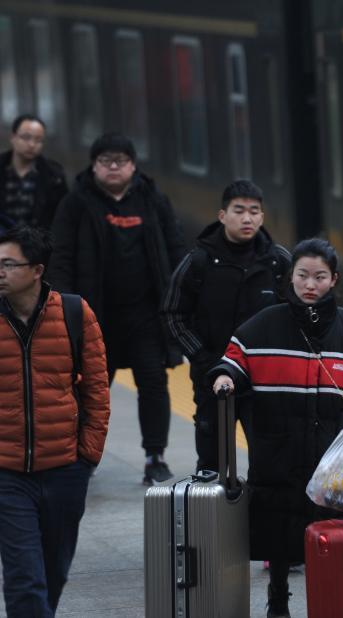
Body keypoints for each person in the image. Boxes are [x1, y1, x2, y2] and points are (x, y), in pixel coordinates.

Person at [209, 238, 343, 618]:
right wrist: (224, 377)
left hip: (331, 449)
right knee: (278, 528)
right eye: (302, 275)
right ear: (290, 277)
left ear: (334, 279)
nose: (310, 284)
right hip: (278, 446)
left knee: (330, 527)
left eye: (320, 277)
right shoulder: (266, 322)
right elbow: (235, 357)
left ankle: (328, 602)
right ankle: (277, 598)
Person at [47, 133, 185, 485]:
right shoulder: (76, 203)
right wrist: (66, 303)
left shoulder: (152, 200)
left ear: (133, 166)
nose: (113, 167)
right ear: (94, 166)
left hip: (147, 315)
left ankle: (155, 456)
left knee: (153, 383)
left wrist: (180, 296)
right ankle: (84, 455)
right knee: (91, 389)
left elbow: (175, 247)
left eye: (120, 161)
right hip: (95, 317)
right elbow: (60, 255)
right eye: (105, 161)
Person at [0, 225, 109, 616]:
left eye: (8, 264)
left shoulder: (74, 313)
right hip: (7, 473)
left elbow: (97, 390)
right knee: (25, 578)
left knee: (53, 572)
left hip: (65, 469)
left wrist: (87, 457)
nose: (0, 272)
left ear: (37, 270)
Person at [162, 179, 291, 474]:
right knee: (213, 464)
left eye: (254, 211)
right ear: (222, 215)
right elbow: (171, 313)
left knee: (271, 463)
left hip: (265, 381)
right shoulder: (198, 261)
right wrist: (205, 360)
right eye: (239, 210)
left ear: (262, 217)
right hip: (212, 382)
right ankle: (216, 504)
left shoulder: (278, 262)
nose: (247, 218)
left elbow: (296, 313)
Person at [0, 114, 68, 230]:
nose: (32, 144)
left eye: (38, 140)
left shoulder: (54, 176)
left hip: (39, 239)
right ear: (13, 138)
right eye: (26, 137)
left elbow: (62, 218)